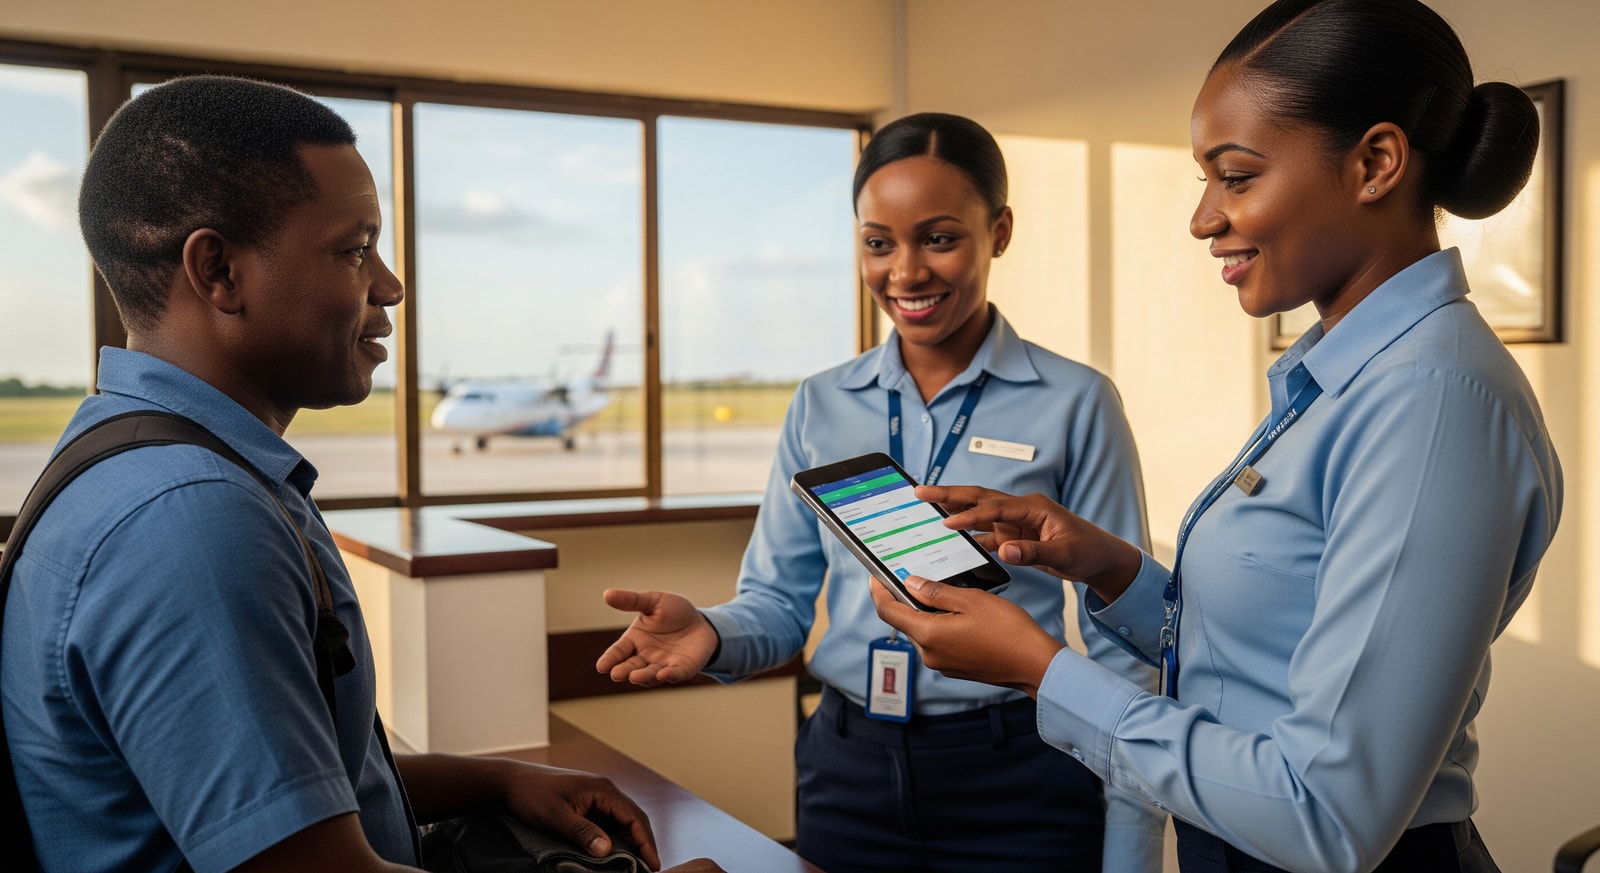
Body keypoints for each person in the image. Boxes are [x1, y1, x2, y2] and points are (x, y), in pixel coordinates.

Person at [868, 2, 1563, 873]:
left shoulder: (1433, 400)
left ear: (1376, 163)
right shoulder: (1343, 376)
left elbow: (1327, 811)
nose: (1203, 218)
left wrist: (1043, 671)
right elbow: (1264, 658)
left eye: (1235, 177)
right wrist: (1109, 568)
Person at [0, 75, 721, 873]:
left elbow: (276, 789)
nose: (390, 286)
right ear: (219, 272)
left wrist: (495, 777)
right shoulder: (194, 520)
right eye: (353, 250)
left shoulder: (140, 458)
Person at [598, 112, 1164, 873]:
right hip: (849, 768)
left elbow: (1122, 650)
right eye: (878, 242)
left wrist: (1131, 849)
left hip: (1021, 771)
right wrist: (710, 631)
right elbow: (778, 603)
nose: (905, 272)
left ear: (998, 231)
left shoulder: (1076, 401)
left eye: (939, 237)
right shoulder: (820, 402)